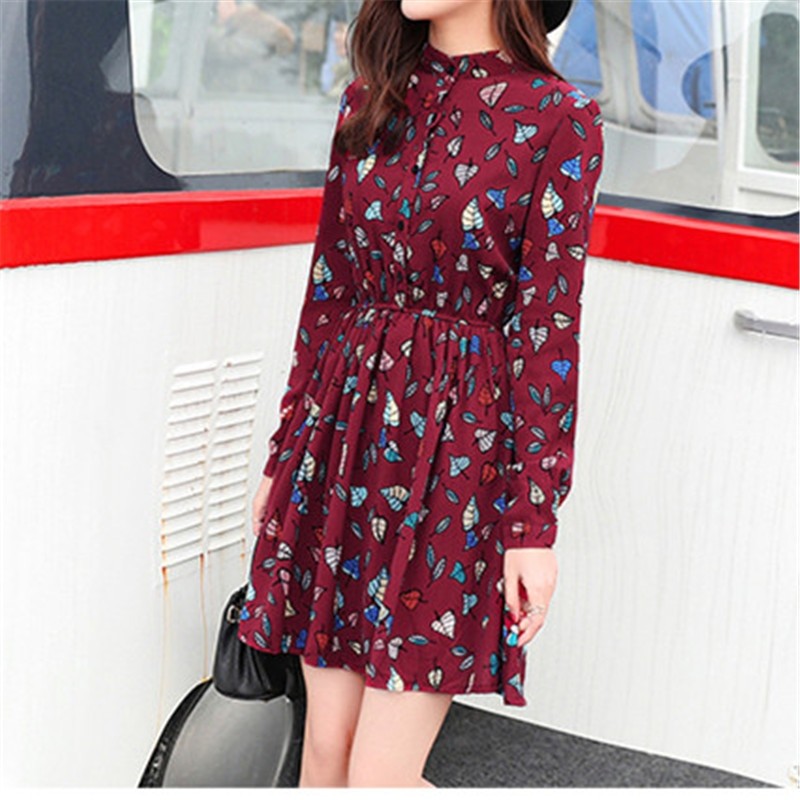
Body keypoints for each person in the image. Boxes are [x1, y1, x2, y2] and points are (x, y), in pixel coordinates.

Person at [237, 0, 603, 788]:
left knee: (378, 776)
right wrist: (285, 454)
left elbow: (547, 329)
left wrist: (532, 522)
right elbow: (329, 293)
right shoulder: (368, 100)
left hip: (457, 459)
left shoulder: (559, 118)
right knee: (324, 756)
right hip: (345, 440)